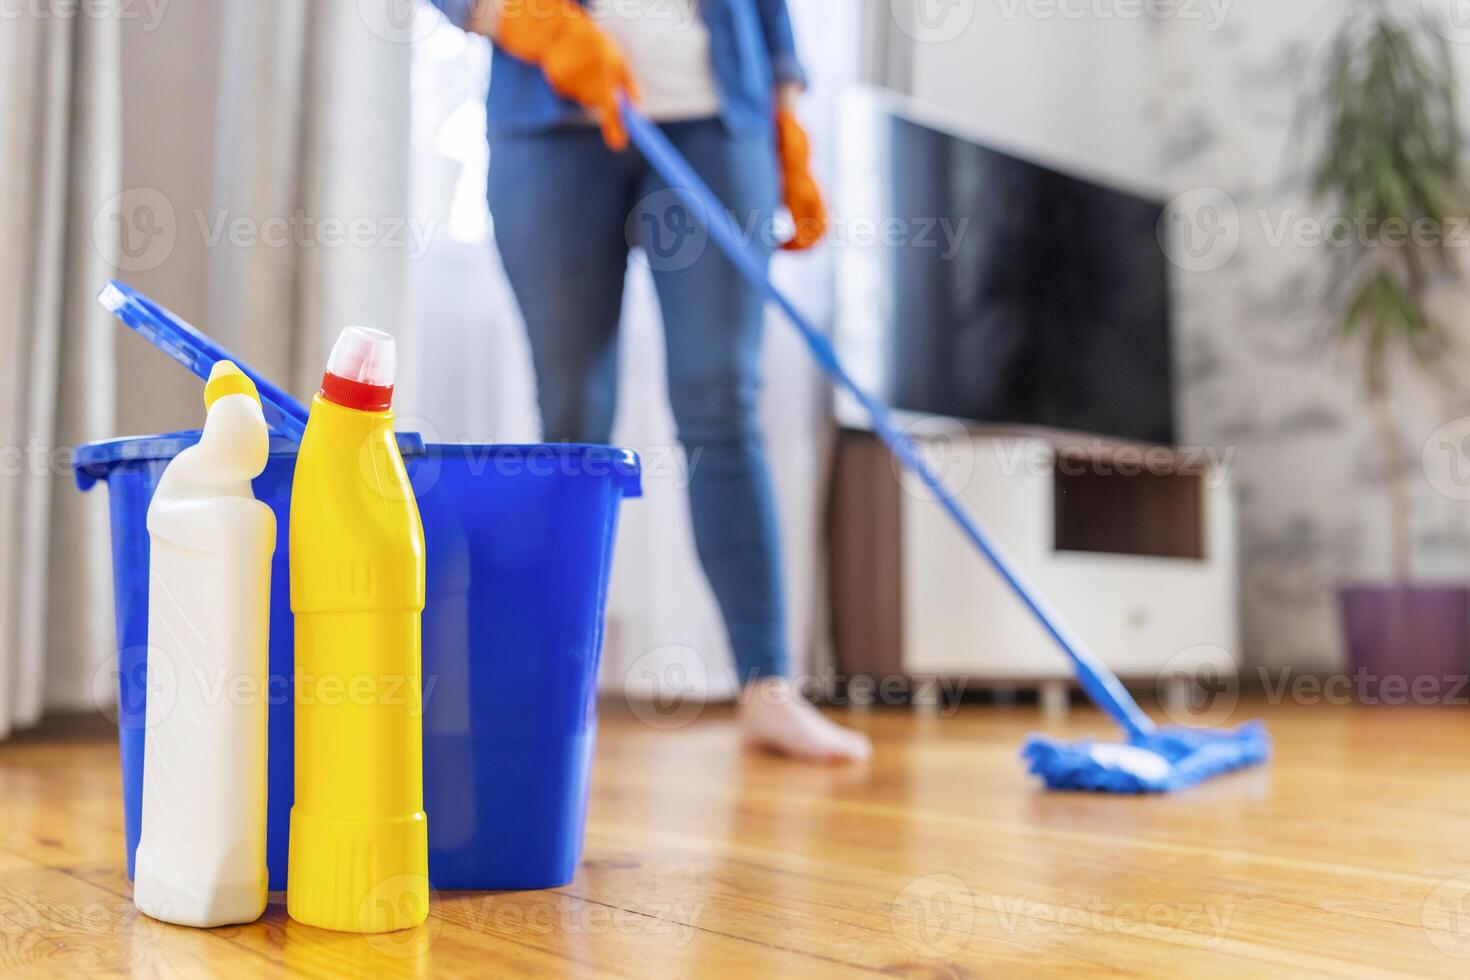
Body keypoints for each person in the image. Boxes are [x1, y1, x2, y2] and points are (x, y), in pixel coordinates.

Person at [432, 0, 870, 762]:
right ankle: (552, 687)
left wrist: (785, 117)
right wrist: (516, 18)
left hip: (716, 124)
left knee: (722, 403)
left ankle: (768, 688)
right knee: (571, 415)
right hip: (550, 120)